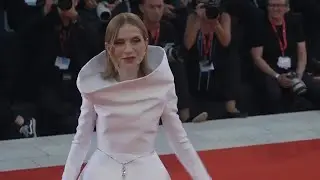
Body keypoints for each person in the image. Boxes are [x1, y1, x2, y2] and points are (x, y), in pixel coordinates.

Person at [62, 13, 211, 180]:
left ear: (146, 43)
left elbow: (179, 139)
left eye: (135, 40)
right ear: (109, 48)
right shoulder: (95, 87)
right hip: (102, 171)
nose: (128, 49)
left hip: (148, 171)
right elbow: (81, 139)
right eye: (119, 42)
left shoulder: (162, 83)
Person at [250, 0, 320, 113]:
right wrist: (277, 76)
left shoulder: (294, 22)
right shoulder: (259, 25)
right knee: (274, 94)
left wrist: (299, 75)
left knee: (316, 90)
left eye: (279, 5)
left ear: (286, 8)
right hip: (271, 71)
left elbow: (302, 52)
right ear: (267, 7)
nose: (275, 9)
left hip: (294, 70)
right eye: (272, 5)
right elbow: (257, 58)